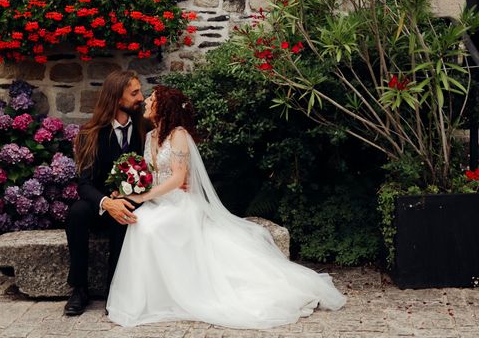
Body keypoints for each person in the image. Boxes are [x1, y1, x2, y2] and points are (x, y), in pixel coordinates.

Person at [106, 86, 347, 329]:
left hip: (181, 204)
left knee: (149, 227)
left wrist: (143, 196)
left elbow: (178, 178)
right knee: (140, 223)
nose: (146, 102)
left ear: (163, 107)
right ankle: (150, 297)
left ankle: (175, 293)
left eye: (151, 99)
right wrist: (127, 187)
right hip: (159, 202)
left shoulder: (178, 135)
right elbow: (149, 173)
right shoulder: (149, 137)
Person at [64, 70, 147, 316]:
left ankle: (116, 289)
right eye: (134, 93)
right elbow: (84, 184)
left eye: (140, 92)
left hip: (135, 202)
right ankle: (79, 288)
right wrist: (105, 202)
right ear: (116, 98)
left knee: (126, 214)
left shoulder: (146, 129)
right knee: (77, 212)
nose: (141, 97)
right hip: (100, 204)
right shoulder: (90, 134)